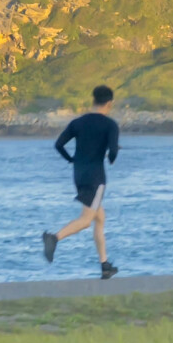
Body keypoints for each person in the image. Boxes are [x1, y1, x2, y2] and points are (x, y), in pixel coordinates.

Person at [42, 84, 119, 279]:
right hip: (96, 178)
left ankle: (105, 265)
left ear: (93, 100)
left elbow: (59, 144)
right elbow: (112, 155)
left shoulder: (78, 122)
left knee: (99, 217)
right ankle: (54, 238)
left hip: (79, 174)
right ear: (109, 103)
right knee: (86, 220)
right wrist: (112, 153)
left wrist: (70, 159)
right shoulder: (110, 125)